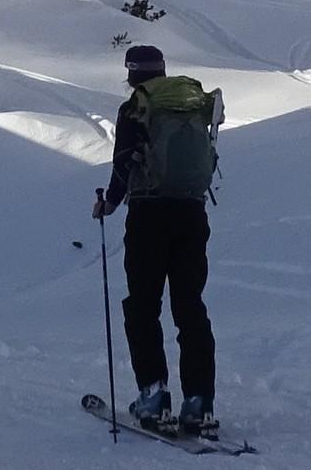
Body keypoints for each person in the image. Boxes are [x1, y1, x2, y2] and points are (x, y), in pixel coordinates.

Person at [95, 43, 222, 434]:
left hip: (149, 213)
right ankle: (198, 403)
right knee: (190, 308)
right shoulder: (190, 104)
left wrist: (110, 203)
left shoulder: (136, 106)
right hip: (192, 211)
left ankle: (154, 396)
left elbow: (123, 163)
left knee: (143, 306)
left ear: (132, 73)